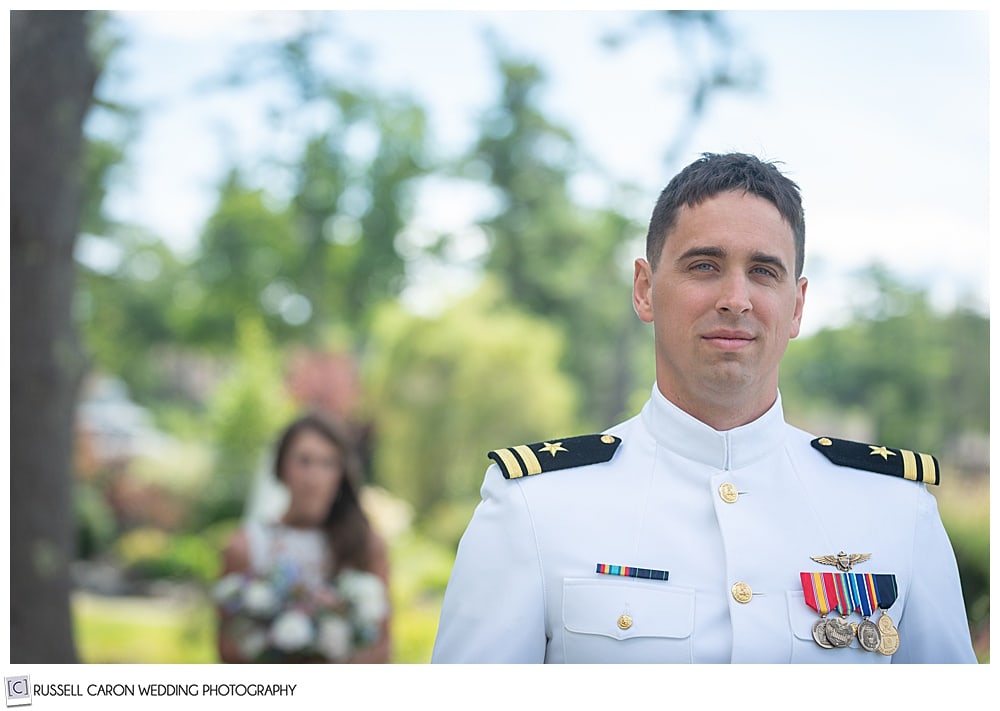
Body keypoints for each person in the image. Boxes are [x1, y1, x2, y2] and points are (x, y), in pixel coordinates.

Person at [431, 152, 976, 664]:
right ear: (645, 289)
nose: (735, 298)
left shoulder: (897, 511)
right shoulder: (534, 506)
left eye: (764, 271)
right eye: (704, 266)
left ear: (798, 306)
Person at [217, 413, 391, 663]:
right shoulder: (245, 546)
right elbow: (228, 646)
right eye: (304, 461)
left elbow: (382, 644)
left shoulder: (364, 544)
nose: (314, 478)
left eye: (328, 463)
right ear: (281, 468)